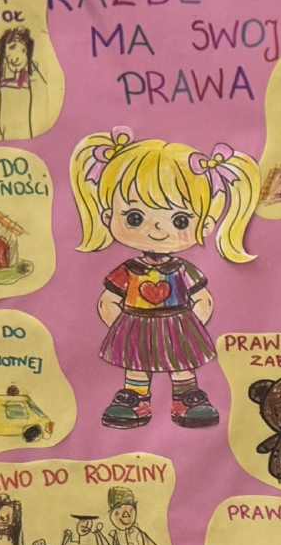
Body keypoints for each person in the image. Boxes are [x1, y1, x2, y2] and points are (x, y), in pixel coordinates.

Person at [70, 132, 261, 430]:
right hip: (135, 322)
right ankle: (134, 398)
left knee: (182, 363)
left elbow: (201, 297)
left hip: (178, 324)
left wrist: (191, 324)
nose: (157, 228)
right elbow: (109, 298)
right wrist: (120, 325)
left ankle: (187, 398)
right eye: (135, 217)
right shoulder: (130, 269)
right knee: (136, 364)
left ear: (206, 224)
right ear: (108, 216)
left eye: (180, 220)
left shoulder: (182, 269)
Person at [0, 26, 43, 140]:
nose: (17, 55)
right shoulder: (3, 74)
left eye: (23, 50)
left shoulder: (26, 76)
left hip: (21, 129)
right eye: (12, 47)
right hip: (5, 126)